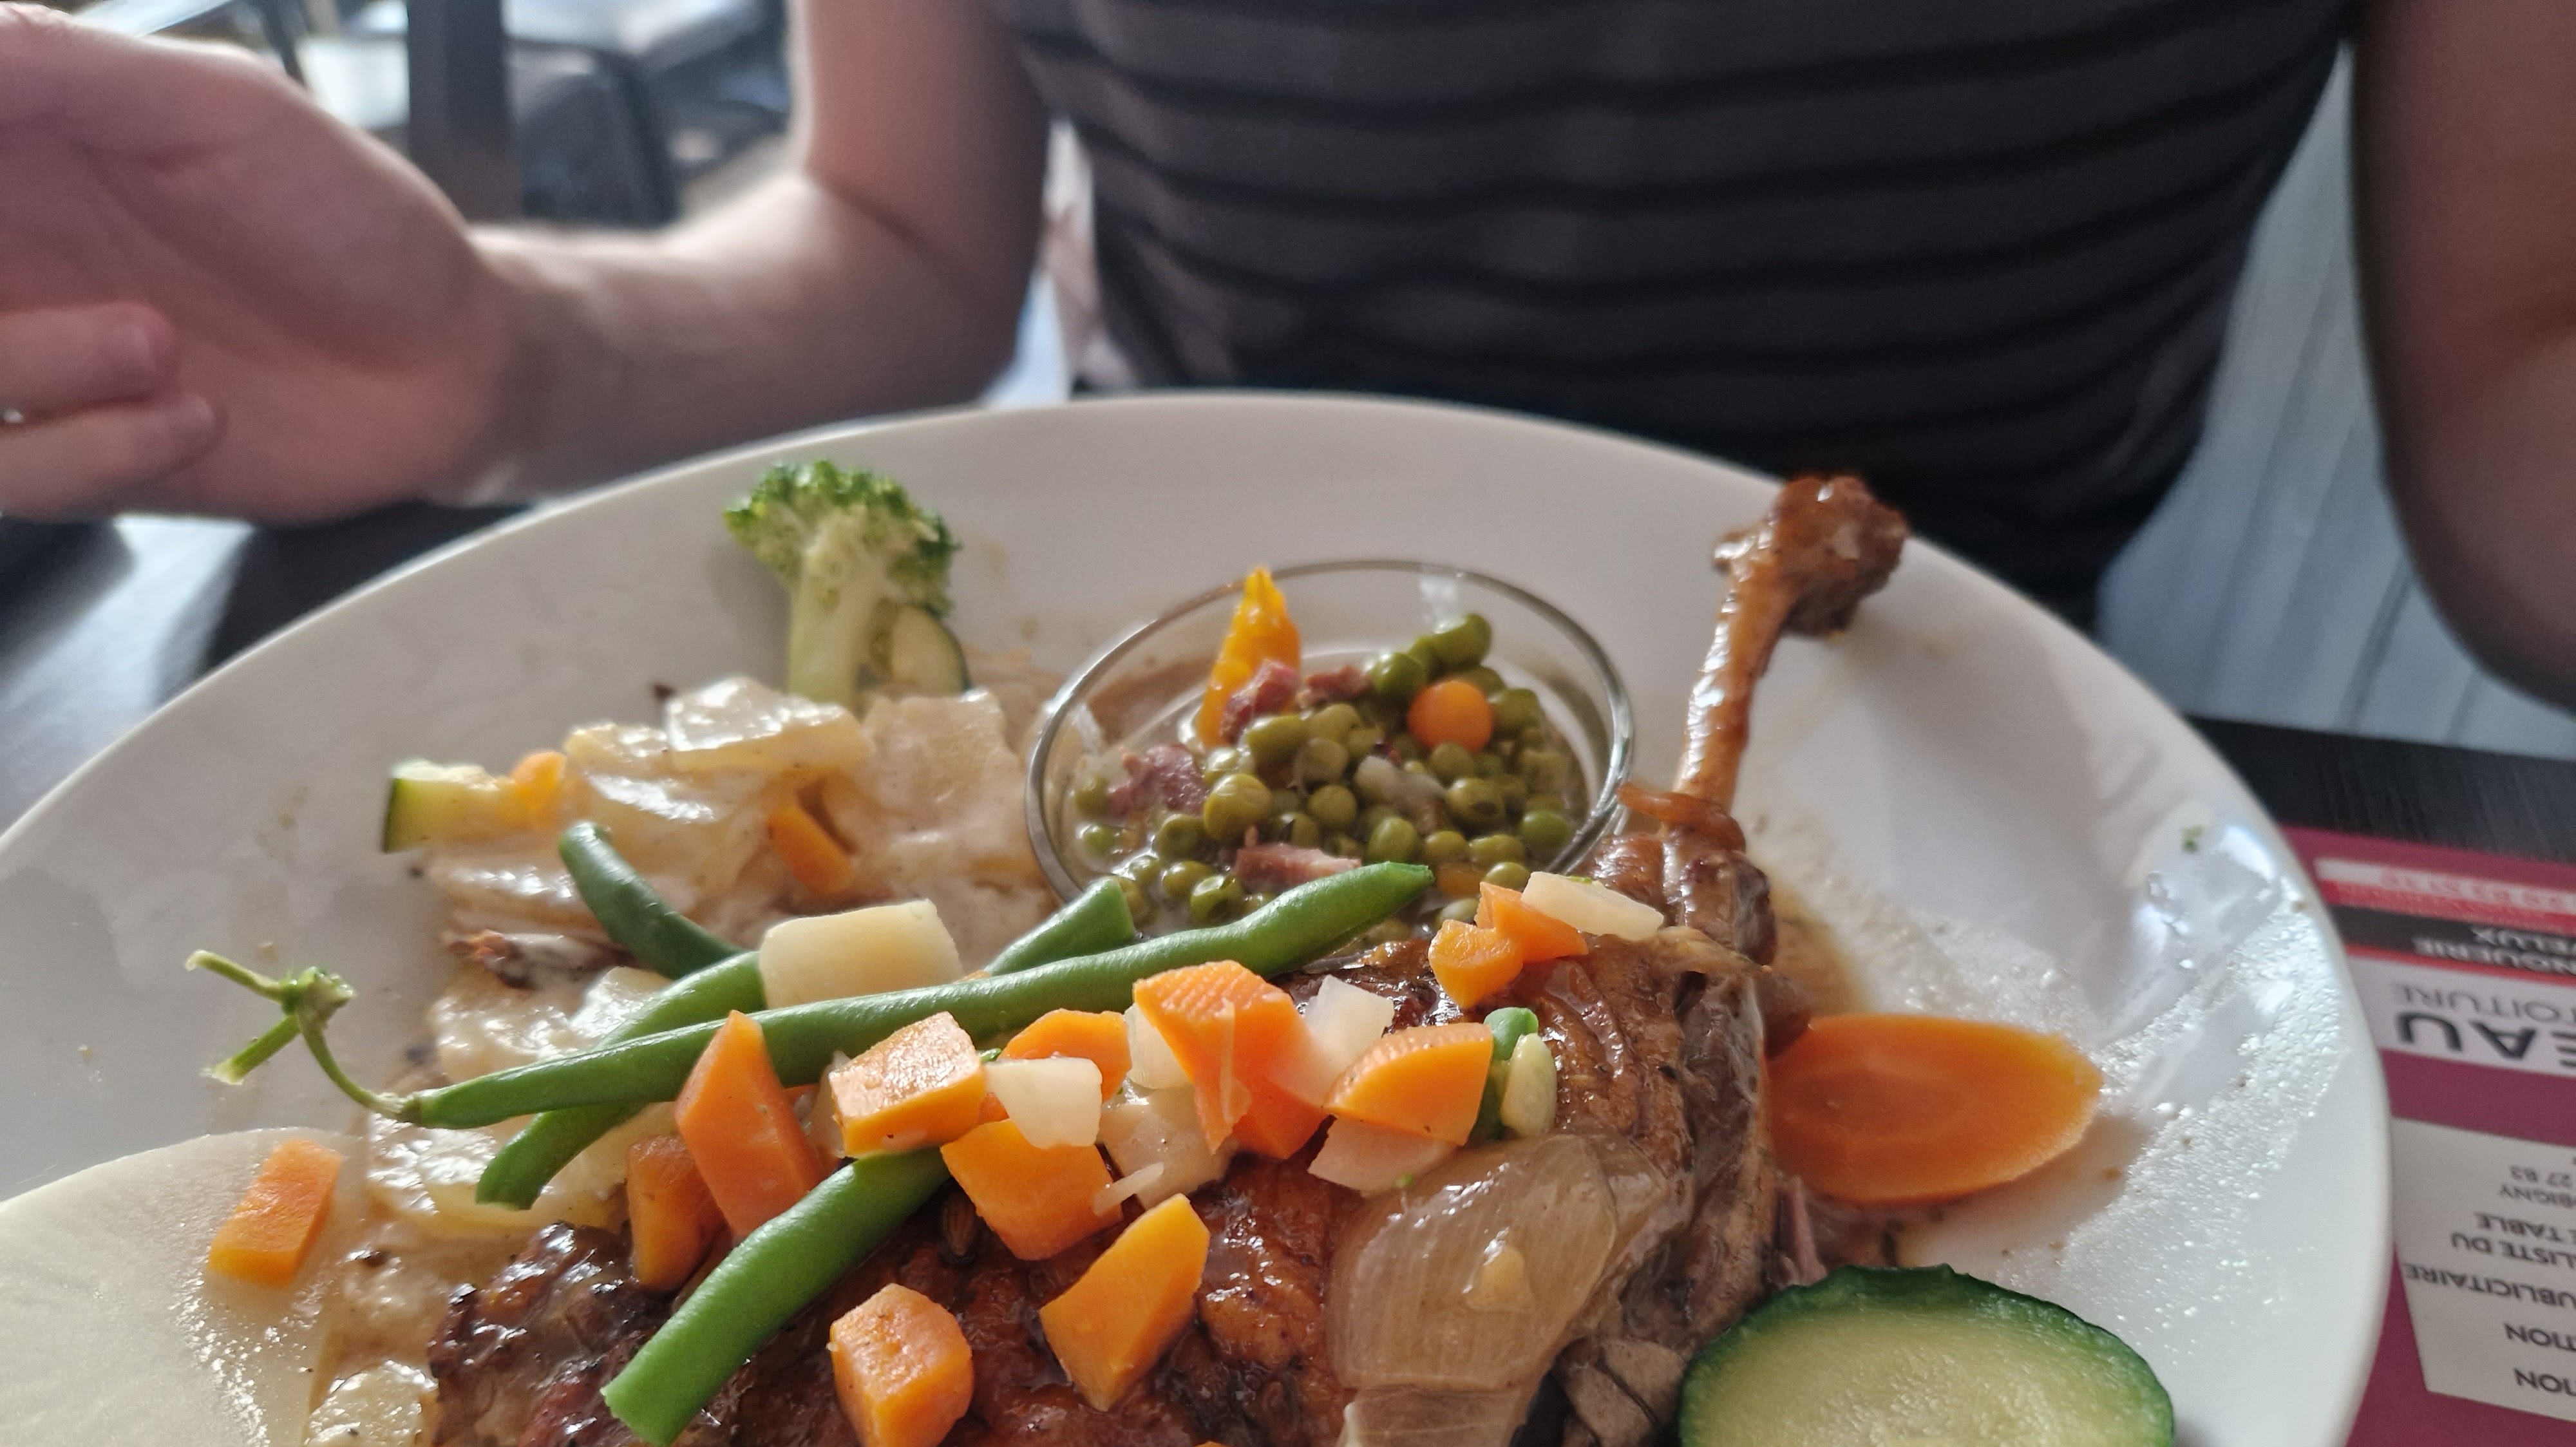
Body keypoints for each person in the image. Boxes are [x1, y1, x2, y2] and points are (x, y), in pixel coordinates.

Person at [0, 0, 2568, 699]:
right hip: (1162, 702)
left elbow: (2509, 382)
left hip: (1952, 744)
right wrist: (501, 350)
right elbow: (895, 243)